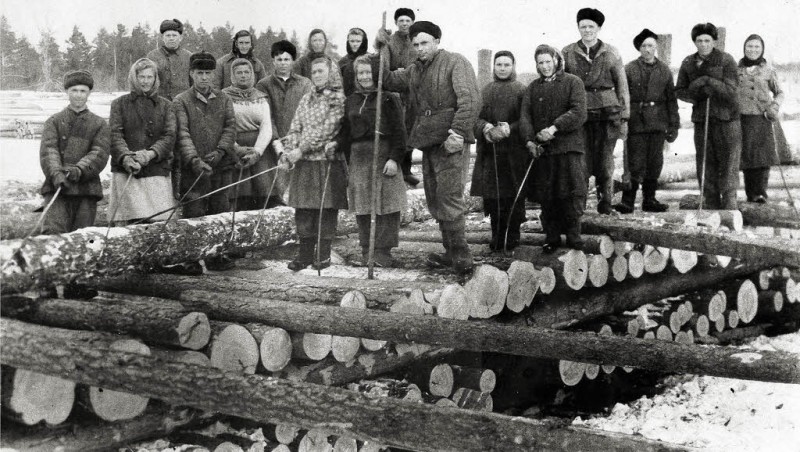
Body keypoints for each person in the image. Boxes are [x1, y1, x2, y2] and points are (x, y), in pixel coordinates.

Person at [377, 20, 480, 274]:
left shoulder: (455, 62)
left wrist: (457, 133)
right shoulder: (414, 70)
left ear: (436, 41)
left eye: (425, 43)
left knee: (449, 195)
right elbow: (387, 79)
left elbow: (470, 100)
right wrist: (382, 48)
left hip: (450, 140)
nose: (420, 48)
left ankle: (462, 253)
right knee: (434, 196)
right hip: (429, 140)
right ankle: (449, 251)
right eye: (415, 44)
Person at [335, 55, 407, 266]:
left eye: (368, 72)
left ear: (375, 74)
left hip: (383, 154)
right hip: (359, 157)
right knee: (364, 205)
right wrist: (336, 145)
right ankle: (367, 250)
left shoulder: (388, 97)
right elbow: (346, 133)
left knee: (386, 204)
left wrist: (394, 158)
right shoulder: (351, 100)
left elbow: (400, 132)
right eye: (360, 73)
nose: (364, 76)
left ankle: (383, 252)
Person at [276, 57, 347, 271]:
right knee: (304, 210)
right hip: (304, 164)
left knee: (325, 210)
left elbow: (326, 131)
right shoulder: (306, 98)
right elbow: (296, 126)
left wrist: (301, 149)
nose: (316, 75)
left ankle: (323, 256)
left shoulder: (337, 99)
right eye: (313, 72)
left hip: (326, 163)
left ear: (330, 73)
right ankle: (305, 254)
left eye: (321, 71)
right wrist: (289, 151)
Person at [172, 51, 237, 273]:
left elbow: (230, 127)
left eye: (208, 73)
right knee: (194, 213)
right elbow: (182, 134)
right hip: (194, 170)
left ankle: (216, 255)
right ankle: (191, 257)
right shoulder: (181, 101)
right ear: (191, 74)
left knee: (220, 211)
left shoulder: (224, 99)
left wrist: (220, 151)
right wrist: (194, 160)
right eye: (200, 73)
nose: (204, 78)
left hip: (221, 166)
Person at [562, 8, 629, 214]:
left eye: (591, 26)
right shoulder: (567, 52)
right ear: (578, 28)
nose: (587, 30)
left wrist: (625, 117)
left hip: (608, 114)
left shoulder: (611, 52)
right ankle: (578, 209)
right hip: (580, 114)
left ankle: (605, 205)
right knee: (580, 163)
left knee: (606, 163)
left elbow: (622, 85)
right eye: (583, 26)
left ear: (599, 28)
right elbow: (562, 85)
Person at [521, 45, 588, 252]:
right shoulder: (533, 88)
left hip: (568, 149)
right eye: (541, 63)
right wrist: (530, 141)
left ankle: (574, 236)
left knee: (572, 193)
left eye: (548, 61)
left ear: (556, 61)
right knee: (547, 195)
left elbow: (578, 112)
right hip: (545, 152)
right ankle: (552, 237)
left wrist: (554, 128)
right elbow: (525, 117)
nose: (545, 66)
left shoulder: (572, 82)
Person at [675, 23, 741, 210]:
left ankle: (729, 204)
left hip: (726, 119)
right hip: (702, 119)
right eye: (699, 40)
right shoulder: (688, 62)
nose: (703, 44)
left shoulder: (726, 60)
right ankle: (711, 203)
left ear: (714, 41)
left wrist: (708, 81)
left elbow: (732, 90)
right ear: (694, 42)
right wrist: (696, 94)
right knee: (705, 162)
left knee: (728, 162)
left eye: (707, 40)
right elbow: (680, 90)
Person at [614, 29, 680, 214]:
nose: (647, 49)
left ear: (656, 47)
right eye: (643, 46)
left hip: (658, 122)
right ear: (639, 48)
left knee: (654, 162)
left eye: (650, 45)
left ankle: (649, 200)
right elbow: (622, 96)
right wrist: (623, 120)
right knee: (634, 163)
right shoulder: (629, 68)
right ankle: (628, 201)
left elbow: (671, 100)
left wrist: (674, 124)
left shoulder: (664, 70)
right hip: (636, 121)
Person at [39, 70, 110, 235]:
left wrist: (79, 170)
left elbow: (99, 153)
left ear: (89, 93)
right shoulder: (54, 121)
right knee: (52, 237)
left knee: (82, 240)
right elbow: (49, 151)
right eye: (74, 90)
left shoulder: (99, 124)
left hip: (86, 189)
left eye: (83, 91)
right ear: (67, 92)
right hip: (57, 188)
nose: (78, 95)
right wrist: (57, 174)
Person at [470, 50, 528, 251]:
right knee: (494, 197)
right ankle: (496, 235)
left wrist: (508, 129)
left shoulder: (521, 90)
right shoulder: (486, 90)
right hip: (490, 152)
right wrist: (486, 127)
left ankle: (512, 236)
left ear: (513, 67)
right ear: (494, 67)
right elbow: (475, 118)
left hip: (514, 154)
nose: (502, 68)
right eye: (499, 65)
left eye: (507, 65)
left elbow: (527, 120)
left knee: (512, 195)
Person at [108, 58, 177, 225]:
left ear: (155, 79)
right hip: (128, 171)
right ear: (134, 78)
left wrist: (150, 154)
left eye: (149, 77)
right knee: (128, 224)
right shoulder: (119, 104)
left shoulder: (166, 106)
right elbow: (115, 135)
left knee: (159, 223)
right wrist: (126, 157)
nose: (145, 81)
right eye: (141, 77)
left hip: (156, 170)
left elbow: (169, 136)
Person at [255, 40, 313, 204]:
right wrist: (278, 145)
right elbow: (266, 118)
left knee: (301, 192)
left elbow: (308, 115)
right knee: (277, 191)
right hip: (274, 145)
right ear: (273, 61)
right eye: (279, 59)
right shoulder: (264, 85)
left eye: (286, 59)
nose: (283, 63)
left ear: (293, 61)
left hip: (299, 145)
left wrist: (299, 143)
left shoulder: (305, 84)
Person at [222, 58, 275, 211]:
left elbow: (266, 126)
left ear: (252, 74)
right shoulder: (223, 97)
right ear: (232, 75)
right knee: (239, 195)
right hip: (235, 149)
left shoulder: (261, 97)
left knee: (263, 192)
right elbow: (223, 126)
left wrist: (257, 152)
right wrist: (236, 149)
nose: (243, 76)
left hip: (260, 150)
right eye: (239, 72)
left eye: (246, 72)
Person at [737, 34, 783, 203]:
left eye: (757, 47)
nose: (753, 50)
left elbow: (780, 93)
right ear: (744, 48)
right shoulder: (736, 69)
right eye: (750, 46)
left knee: (763, 156)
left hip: (762, 118)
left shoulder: (768, 70)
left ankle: (761, 193)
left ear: (762, 49)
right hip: (743, 119)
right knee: (748, 156)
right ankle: (752, 194)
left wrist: (774, 107)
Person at [386, 7, 420, 187]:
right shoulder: (391, 42)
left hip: (413, 91)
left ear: (412, 22)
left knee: (411, 129)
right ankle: (396, 169)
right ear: (396, 23)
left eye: (408, 21)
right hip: (396, 91)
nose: (405, 24)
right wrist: (395, 71)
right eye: (401, 21)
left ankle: (406, 170)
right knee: (397, 128)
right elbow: (385, 65)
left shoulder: (417, 40)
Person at [146, 19, 193, 101]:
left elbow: (193, 83)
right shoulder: (152, 56)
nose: (171, 38)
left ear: (180, 37)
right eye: (168, 35)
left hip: (183, 103)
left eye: (174, 35)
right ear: (162, 38)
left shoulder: (189, 57)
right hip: (159, 103)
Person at [338, 28, 370, 97]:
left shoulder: (371, 59)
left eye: (358, 41)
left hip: (368, 99)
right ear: (348, 42)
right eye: (352, 41)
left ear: (363, 42)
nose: (355, 44)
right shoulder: (342, 62)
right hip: (349, 101)